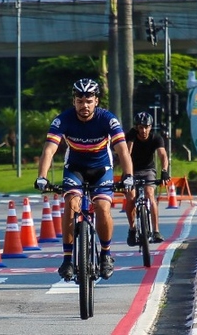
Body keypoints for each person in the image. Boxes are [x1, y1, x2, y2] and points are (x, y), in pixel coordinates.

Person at [34, 78, 134, 281]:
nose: (84, 106)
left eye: (89, 101)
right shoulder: (63, 120)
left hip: (101, 169)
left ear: (96, 101)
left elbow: (122, 150)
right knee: (71, 204)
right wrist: (42, 177)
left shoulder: (108, 119)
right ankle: (68, 259)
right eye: (80, 101)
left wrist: (128, 176)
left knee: (103, 208)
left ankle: (106, 255)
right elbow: (49, 149)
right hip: (75, 169)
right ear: (74, 101)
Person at [123, 111, 170, 245]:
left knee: (150, 194)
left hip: (148, 170)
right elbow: (127, 154)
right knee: (131, 198)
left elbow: (163, 155)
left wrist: (164, 171)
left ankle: (155, 231)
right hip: (131, 169)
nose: (144, 130)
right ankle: (132, 229)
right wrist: (127, 175)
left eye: (146, 127)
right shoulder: (131, 136)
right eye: (141, 127)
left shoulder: (156, 138)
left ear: (151, 127)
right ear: (136, 127)